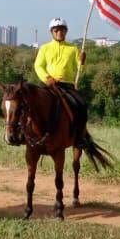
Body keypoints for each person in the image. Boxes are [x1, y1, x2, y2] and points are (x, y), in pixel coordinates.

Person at [33, 17, 89, 147]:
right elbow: (38, 66)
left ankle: (80, 136)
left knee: (81, 104)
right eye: (56, 30)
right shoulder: (44, 48)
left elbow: (79, 69)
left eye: (62, 30)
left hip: (67, 86)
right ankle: (24, 134)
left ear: (66, 31)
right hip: (49, 85)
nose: (59, 32)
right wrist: (47, 78)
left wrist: (82, 61)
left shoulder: (73, 48)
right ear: (51, 32)